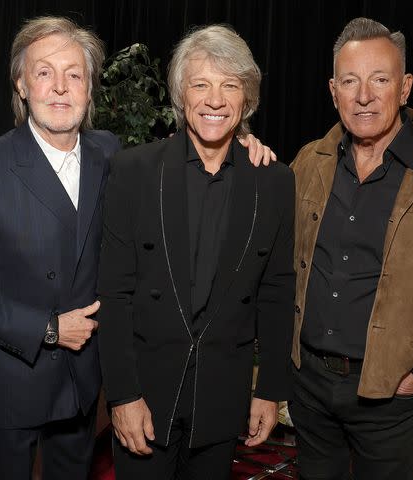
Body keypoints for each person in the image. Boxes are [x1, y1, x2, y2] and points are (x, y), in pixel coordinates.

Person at [0, 15, 274, 479]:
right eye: (44, 73)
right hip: (11, 381)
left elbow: (182, 156)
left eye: (75, 74)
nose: (60, 88)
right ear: (21, 84)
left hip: (82, 384)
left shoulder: (110, 154)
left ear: (90, 88)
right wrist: (47, 329)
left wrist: (240, 143)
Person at [289, 17, 413, 479]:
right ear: (332, 90)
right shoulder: (307, 162)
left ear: (404, 88)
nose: (364, 95)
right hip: (309, 384)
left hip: (388, 391)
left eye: (380, 80)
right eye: (350, 81)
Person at [97, 24, 295, 479]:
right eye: (200, 84)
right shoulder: (135, 171)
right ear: (179, 94)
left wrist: (269, 390)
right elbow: (115, 292)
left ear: (247, 99)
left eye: (230, 86)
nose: (214, 99)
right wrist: (123, 397)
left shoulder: (273, 181)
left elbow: (278, 292)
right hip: (146, 396)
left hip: (222, 397)